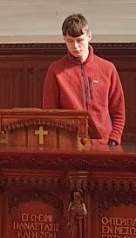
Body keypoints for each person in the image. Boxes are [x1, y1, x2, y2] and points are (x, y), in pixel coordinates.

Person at [42, 13, 125, 145]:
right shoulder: (56, 70)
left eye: (79, 40)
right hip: (69, 143)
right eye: (69, 41)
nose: (75, 46)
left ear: (89, 36)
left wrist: (114, 137)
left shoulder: (107, 69)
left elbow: (118, 109)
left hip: (104, 143)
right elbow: (49, 112)